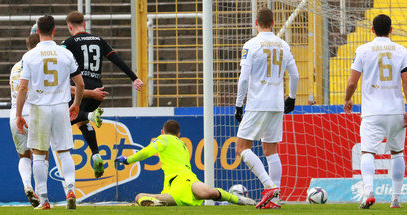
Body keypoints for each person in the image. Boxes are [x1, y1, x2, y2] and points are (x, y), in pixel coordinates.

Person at [61, 11, 143, 178]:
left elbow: (56, 58)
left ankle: (91, 116)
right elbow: (116, 59)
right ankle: (96, 154)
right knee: (81, 122)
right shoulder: (99, 40)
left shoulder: (67, 43)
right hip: (99, 89)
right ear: (84, 24)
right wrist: (134, 78)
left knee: (62, 119)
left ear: (69, 27)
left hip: (81, 89)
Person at [344, 14, 407, 209]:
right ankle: (396, 199)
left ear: (372, 30)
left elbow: (352, 81)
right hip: (395, 111)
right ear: (391, 30)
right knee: (397, 153)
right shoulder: (401, 50)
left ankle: (369, 192)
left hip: (372, 112)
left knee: (367, 152)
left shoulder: (363, 50)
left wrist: (348, 99)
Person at [16, 15, 85, 210]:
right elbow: (79, 83)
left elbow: (22, 88)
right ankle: (71, 188)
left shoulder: (29, 56)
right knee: (64, 152)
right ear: (54, 31)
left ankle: (44, 200)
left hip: (39, 109)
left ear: (37, 32)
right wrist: (77, 103)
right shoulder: (65, 54)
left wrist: (19, 114)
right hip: (61, 106)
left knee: (39, 155)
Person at [234, 7, 299, 209]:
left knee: (241, 148)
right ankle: (276, 199)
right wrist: (292, 98)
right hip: (277, 104)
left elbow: (244, 78)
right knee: (270, 150)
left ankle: (269, 187)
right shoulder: (283, 45)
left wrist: (238, 104)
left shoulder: (251, 45)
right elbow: (295, 75)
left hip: (257, 104)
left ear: (256, 23)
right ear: (273, 23)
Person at [115, 120, 256, 207]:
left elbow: (146, 152)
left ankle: (155, 203)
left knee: (139, 196)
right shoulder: (182, 144)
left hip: (176, 185)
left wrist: (128, 160)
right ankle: (239, 200)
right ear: (179, 134)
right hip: (189, 180)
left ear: (162, 132)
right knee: (208, 192)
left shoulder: (163, 139)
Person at [9, 34, 43, 208]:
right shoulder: (37, 64)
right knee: (41, 155)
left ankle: (27, 185)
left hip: (15, 115)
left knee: (24, 156)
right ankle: (43, 196)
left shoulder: (15, 67)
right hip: (34, 113)